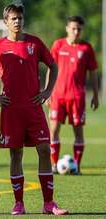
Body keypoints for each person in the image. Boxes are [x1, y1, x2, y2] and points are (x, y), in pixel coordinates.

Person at [0, 4, 68, 215]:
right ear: (5, 22)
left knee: (45, 150)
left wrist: (47, 92)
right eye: (13, 19)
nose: (17, 22)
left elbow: (53, 66)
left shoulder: (34, 43)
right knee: (15, 154)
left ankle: (49, 203)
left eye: (20, 18)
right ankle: (19, 203)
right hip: (11, 110)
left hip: (34, 108)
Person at [48, 16, 99, 175]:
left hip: (77, 97)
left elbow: (93, 73)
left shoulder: (86, 49)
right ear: (67, 28)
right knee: (54, 130)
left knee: (78, 132)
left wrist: (96, 95)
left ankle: (76, 166)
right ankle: (54, 165)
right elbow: (51, 68)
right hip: (58, 95)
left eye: (79, 29)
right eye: (73, 28)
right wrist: (47, 91)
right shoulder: (58, 45)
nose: (76, 31)